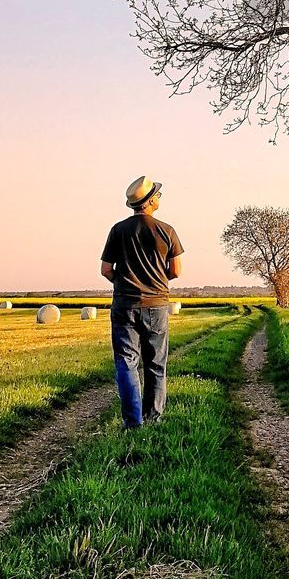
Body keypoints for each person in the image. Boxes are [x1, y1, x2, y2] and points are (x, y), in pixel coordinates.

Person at [100, 176, 184, 429]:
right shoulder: (167, 230)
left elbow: (106, 269)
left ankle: (132, 422)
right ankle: (154, 419)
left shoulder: (118, 230)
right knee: (156, 364)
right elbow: (176, 271)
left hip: (124, 304)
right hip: (156, 305)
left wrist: (123, 282)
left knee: (127, 362)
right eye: (157, 195)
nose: (159, 198)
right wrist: (157, 280)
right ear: (149, 201)